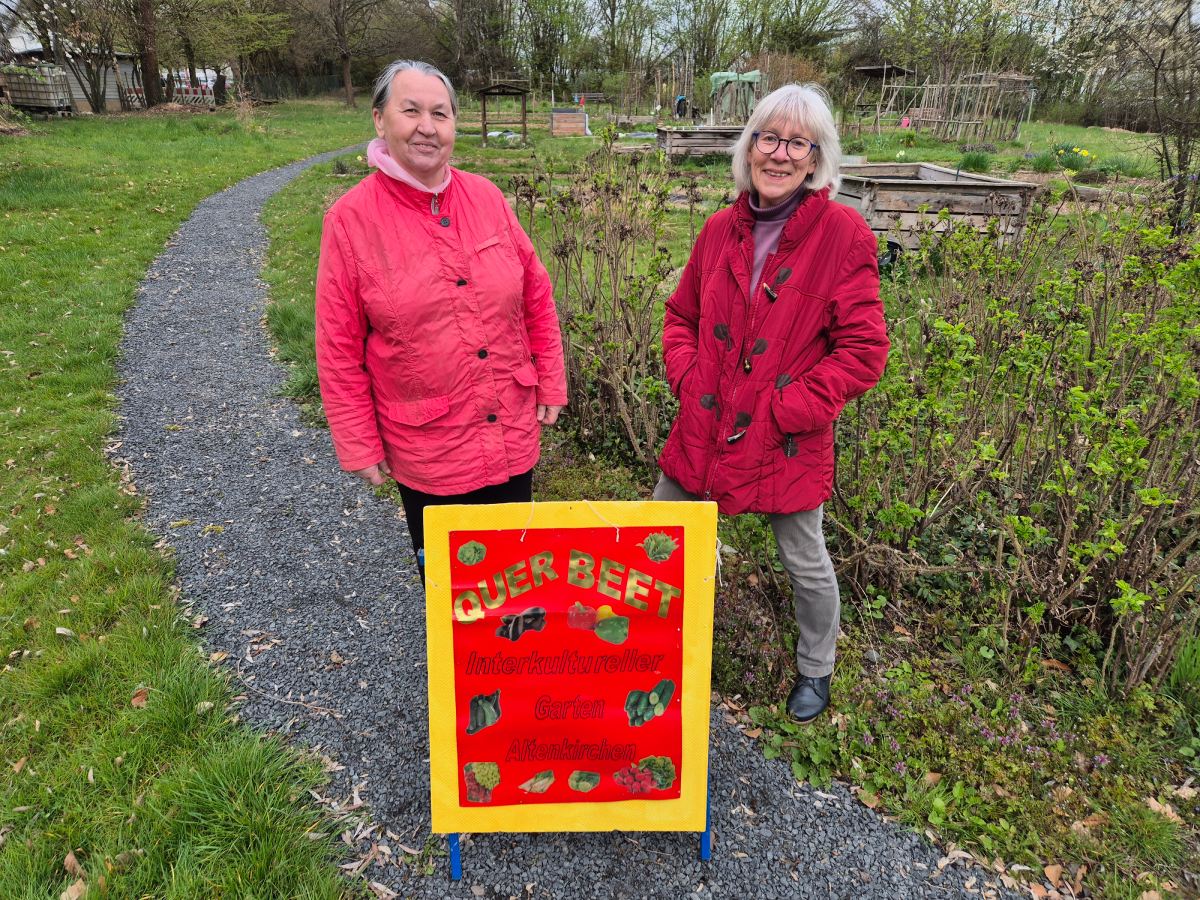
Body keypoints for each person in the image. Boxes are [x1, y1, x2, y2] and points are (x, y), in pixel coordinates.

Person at [654, 83, 889, 723]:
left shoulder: (843, 235)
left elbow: (864, 352)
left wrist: (789, 409)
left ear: (815, 159)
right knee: (660, 538)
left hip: (784, 435)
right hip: (705, 422)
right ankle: (653, 649)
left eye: (796, 143)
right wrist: (688, 377)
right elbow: (681, 317)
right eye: (768, 137)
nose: (779, 154)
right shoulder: (717, 230)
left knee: (804, 558)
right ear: (749, 146)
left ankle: (816, 668)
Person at [315, 60, 567, 582]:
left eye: (440, 113)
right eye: (410, 111)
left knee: (517, 571)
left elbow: (536, 295)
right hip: (430, 446)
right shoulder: (350, 221)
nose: (427, 127)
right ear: (380, 120)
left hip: (509, 425)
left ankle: (513, 657)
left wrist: (551, 381)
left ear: (455, 124)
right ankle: (462, 663)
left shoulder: (487, 198)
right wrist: (358, 440)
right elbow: (338, 346)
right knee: (455, 583)